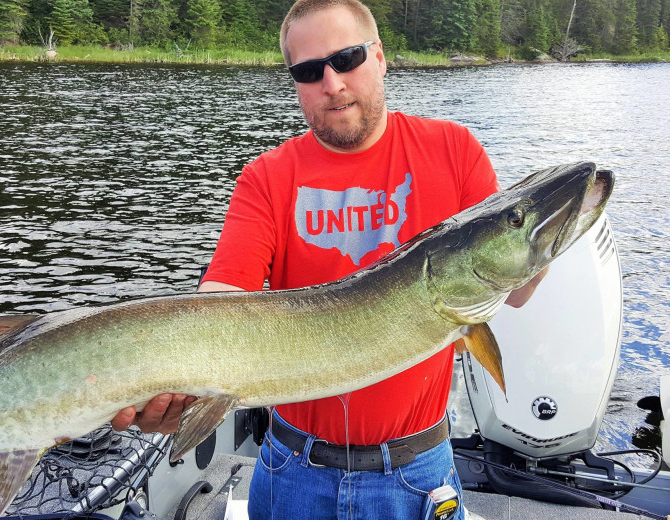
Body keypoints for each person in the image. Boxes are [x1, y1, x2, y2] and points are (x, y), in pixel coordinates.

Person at [112, 0, 546, 517]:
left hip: (418, 469)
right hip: (293, 470)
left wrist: (549, 235)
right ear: (295, 80)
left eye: (347, 58)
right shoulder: (267, 177)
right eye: (309, 70)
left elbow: (515, 288)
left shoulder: (454, 150)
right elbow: (223, 298)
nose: (332, 82)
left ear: (380, 57)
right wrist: (171, 381)